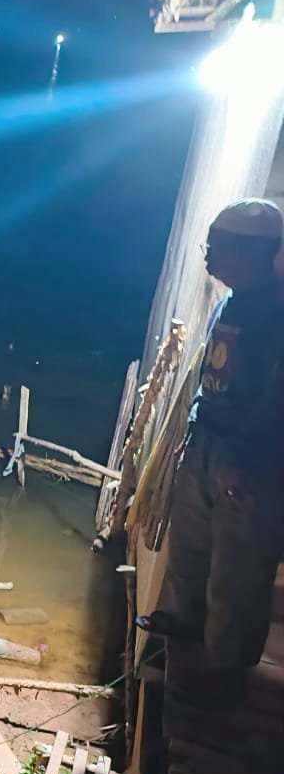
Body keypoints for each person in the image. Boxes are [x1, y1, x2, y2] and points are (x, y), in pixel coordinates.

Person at [148, 199, 284, 679]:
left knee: (238, 569)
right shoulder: (232, 304)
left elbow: (276, 401)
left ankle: (225, 669)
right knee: (191, 544)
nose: (208, 259)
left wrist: (242, 459)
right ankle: (184, 624)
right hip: (207, 440)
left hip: (250, 461)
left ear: (256, 253)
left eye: (218, 248)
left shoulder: (276, 317)